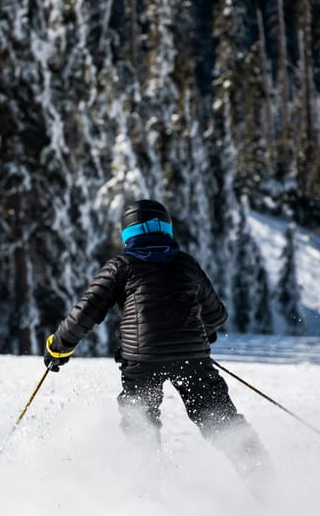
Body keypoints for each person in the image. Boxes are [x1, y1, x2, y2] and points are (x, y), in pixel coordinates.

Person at [44, 199, 274, 498]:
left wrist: (58, 347)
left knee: (141, 425)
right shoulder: (186, 264)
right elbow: (216, 314)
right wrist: (206, 334)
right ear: (166, 229)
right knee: (220, 419)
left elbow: (85, 313)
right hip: (193, 358)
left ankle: (149, 499)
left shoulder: (120, 267)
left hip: (142, 361)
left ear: (127, 234)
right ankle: (268, 488)